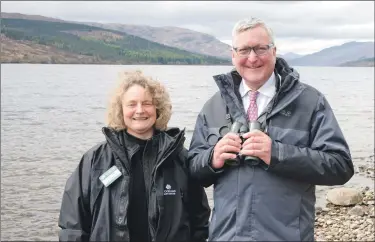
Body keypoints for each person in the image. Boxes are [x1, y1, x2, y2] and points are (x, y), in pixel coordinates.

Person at [188, 17, 354, 241]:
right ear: (233, 55)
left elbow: (340, 166)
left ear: (274, 51)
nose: (253, 58)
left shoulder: (311, 102)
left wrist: (276, 153)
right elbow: (192, 170)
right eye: (244, 50)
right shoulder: (213, 106)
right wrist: (212, 158)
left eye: (261, 49)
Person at [58, 70, 210, 242]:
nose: (139, 110)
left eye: (147, 103)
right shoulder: (94, 160)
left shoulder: (179, 157)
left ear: (157, 108)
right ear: (120, 109)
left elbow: (200, 220)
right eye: (131, 104)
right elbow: (73, 225)